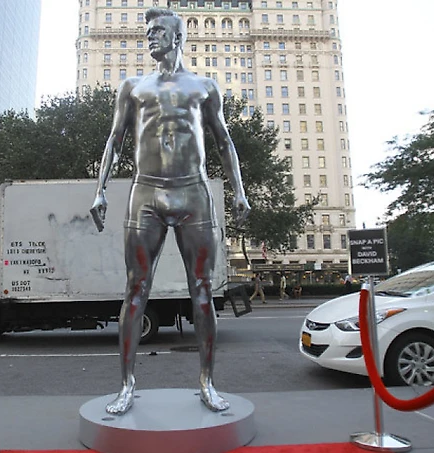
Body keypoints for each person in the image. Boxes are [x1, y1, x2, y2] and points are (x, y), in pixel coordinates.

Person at [90, 7, 250, 416]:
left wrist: (239, 190)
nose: (150, 36)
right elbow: (115, 139)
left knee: (202, 290)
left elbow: (224, 141)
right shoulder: (133, 87)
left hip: (193, 191)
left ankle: (207, 382)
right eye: (148, 31)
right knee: (135, 290)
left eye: (158, 30)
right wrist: (100, 190)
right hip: (146, 192)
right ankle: (126, 385)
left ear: (178, 37)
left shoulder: (204, 87)